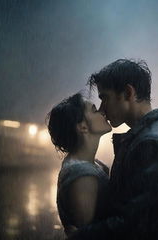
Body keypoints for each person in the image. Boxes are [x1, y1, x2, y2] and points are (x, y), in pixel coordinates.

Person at [69, 59, 158, 240]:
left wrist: (79, 237)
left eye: (104, 98)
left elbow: (131, 224)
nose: (101, 108)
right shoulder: (153, 135)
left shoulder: (149, 143)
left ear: (128, 93)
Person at [47, 92, 112, 237]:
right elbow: (86, 235)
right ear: (82, 127)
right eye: (95, 110)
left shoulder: (87, 165)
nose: (103, 111)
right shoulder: (82, 176)